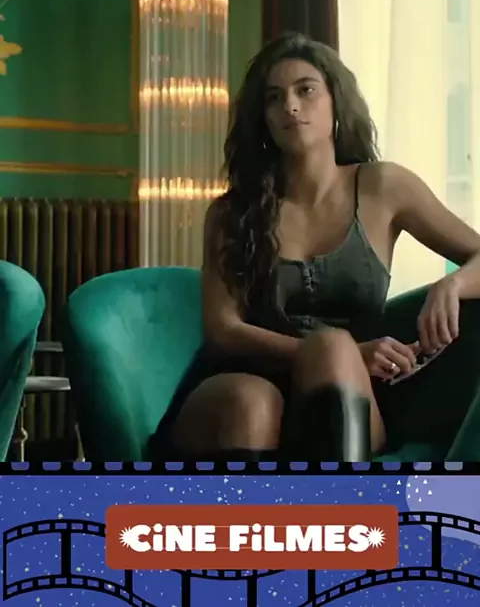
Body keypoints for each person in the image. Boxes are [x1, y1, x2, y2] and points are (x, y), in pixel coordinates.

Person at [155, 33, 480, 462]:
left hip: (346, 389)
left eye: (305, 90)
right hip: (245, 378)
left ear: (335, 102)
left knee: (332, 349)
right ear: (264, 119)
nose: (290, 106)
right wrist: (328, 351)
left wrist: (452, 285)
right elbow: (223, 330)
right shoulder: (232, 212)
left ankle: (338, 503)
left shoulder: (384, 187)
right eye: (274, 98)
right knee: (253, 401)